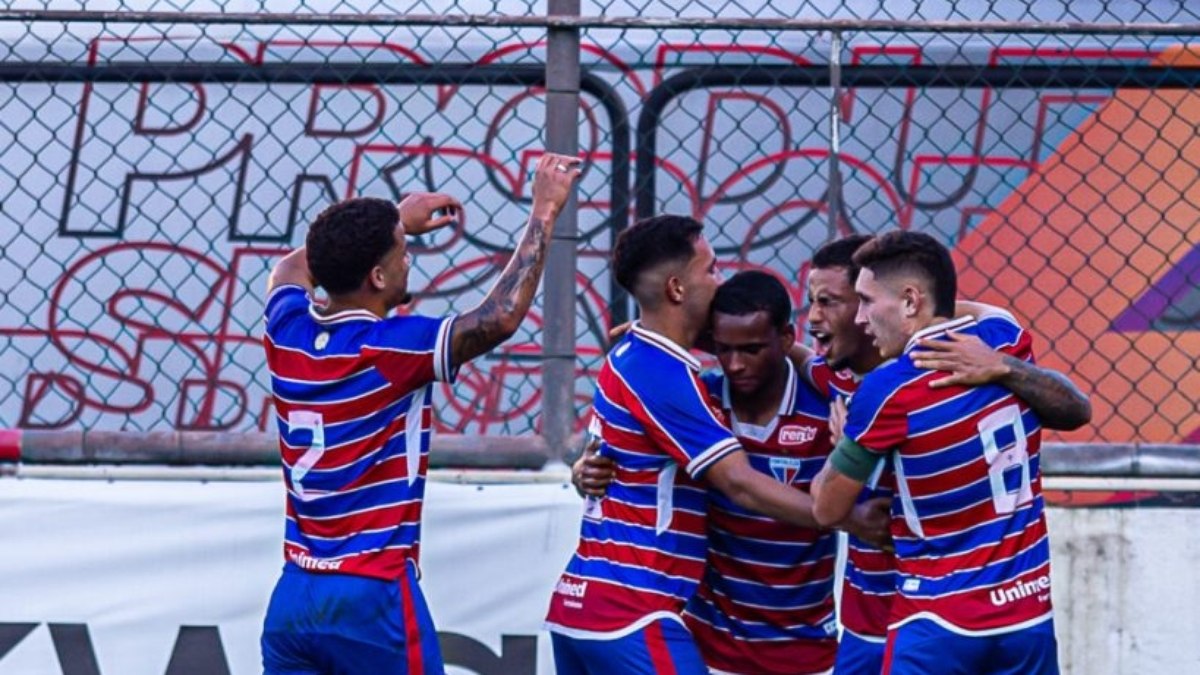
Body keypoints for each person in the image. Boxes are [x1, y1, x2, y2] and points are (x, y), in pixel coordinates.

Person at [259, 152, 581, 674]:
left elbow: (290, 267)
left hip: (295, 594)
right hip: (373, 595)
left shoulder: (286, 331)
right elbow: (498, 319)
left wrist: (390, 221)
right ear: (378, 277)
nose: (408, 258)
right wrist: (544, 210)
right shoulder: (393, 349)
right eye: (403, 251)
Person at [545, 215, 856, 675]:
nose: (720, 280)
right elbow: (739, 482)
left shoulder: (636, 357)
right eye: (710, 269)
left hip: (590, 602)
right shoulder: (671, 375)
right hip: (634, 610)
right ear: (676, 288)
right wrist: (843, 517)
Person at [805, 234, 1090, 674]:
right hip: (1025, 612)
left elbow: (827, 508)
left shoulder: (887, 391)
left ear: (909, 301)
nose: (861, 318)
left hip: (938, 620)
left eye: (866, 301)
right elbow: (1076, 408)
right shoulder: (1002, 340)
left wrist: (843, 442)